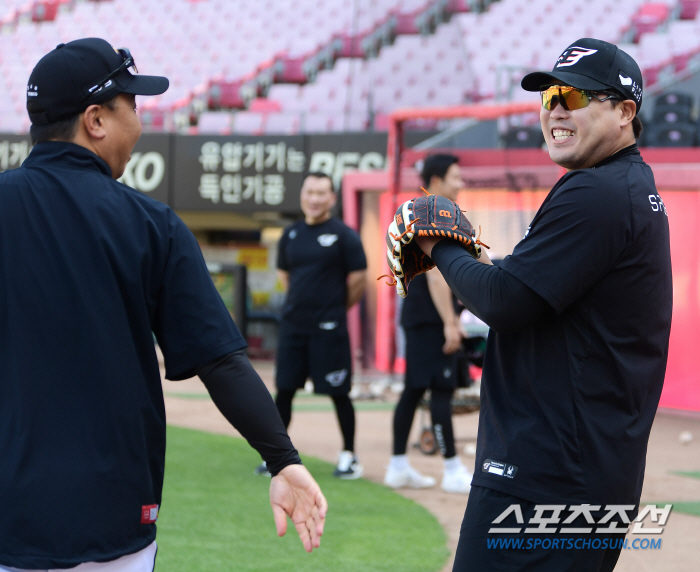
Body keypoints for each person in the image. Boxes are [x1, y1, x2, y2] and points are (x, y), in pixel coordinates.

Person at [0, 38, 326, 572]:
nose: (140, 121)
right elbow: (220, 362)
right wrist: (282, 460)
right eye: (131, 104)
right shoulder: (152, 224)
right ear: (95, 120)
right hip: (111, 516)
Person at [411, 38, 672, 570]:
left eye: (574, 97)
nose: (555, 109)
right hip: (579, 470)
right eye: (549, 96)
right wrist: (475, 258)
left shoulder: (597, 191)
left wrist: (436, 245)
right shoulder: (622, 185)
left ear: (625, 112)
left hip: (546, 475)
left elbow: (504, 301)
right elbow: (521, 285)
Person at [255, 172, 368, 479]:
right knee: (284, 391)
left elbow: (359, 279)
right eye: (310, 192)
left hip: (329, 329)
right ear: (302, 195)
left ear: (332, 198)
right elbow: (284, 275)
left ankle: (349, 456)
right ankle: (275, 457)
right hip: (293, 327)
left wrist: (334, 309)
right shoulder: (291, 234)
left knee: (339, 392)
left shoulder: (344, 235)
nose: (314, 199)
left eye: (321, 193)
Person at [383, 154, 473, 494]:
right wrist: (450, 322)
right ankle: (451, 469)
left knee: (415, 390)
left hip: (420, 318)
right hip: (431, 320)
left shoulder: (420, 213)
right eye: (455, 177)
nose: (460, 183)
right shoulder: (435, 215)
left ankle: (398, 466)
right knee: (440, 391)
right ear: (436, 181)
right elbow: (436, 276)